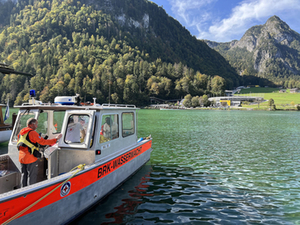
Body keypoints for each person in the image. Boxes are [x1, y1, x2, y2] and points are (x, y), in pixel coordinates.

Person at [17, 118, 62, 187]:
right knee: (32, 176)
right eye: (36, 124)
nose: (37, 126)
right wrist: (56, 139)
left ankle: (23, 192)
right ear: (32, 125)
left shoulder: (21, 132)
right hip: (30, 158)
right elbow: (43, 142)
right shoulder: (32, 132)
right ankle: (31, 192)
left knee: (24, 175)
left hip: (21, 158)